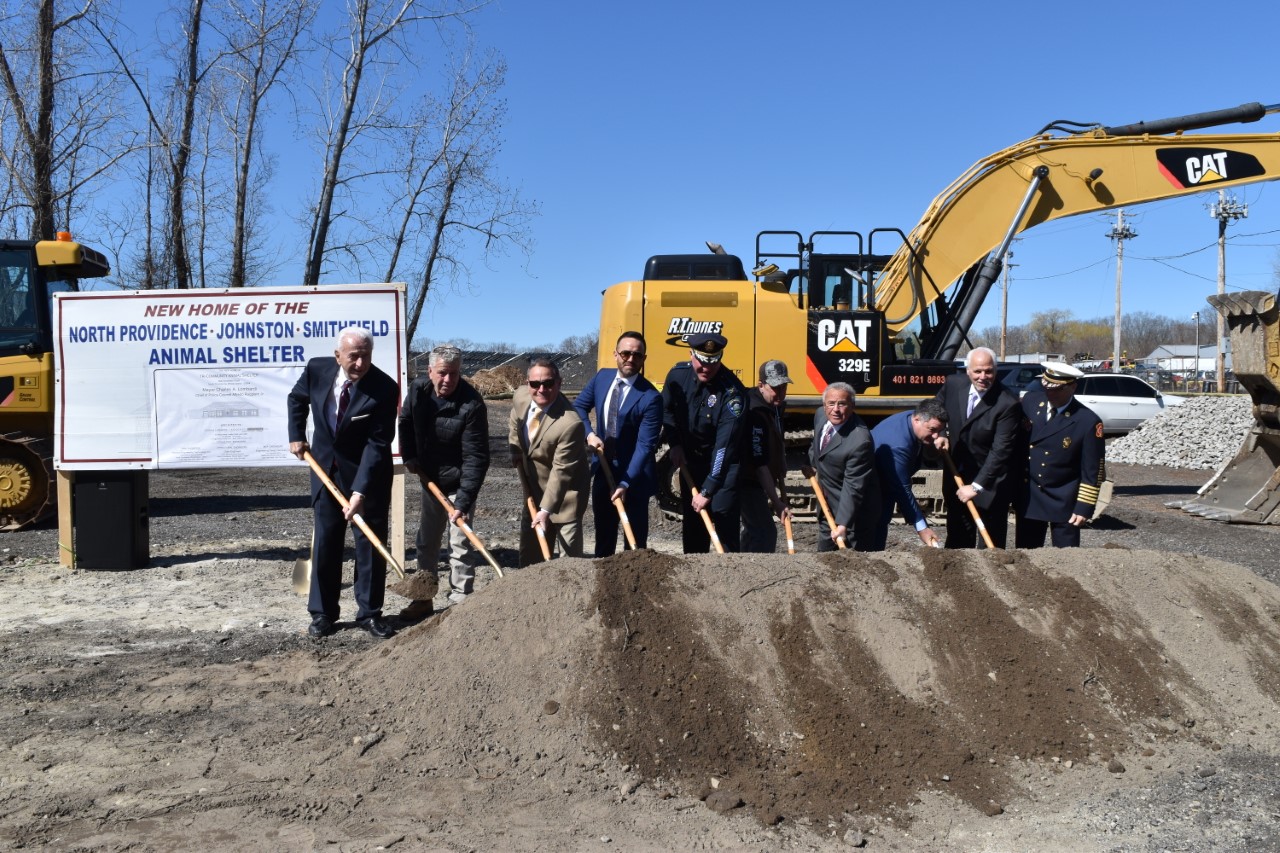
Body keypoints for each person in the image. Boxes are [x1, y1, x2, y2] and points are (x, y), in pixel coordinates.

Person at [287, 326, 400, 639]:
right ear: (338, 356)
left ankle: (369, 613)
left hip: (368, 475)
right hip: (325, 470)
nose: (361, 363)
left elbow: (377, 445)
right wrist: (296, 434)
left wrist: (360, 492)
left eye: (366, 356)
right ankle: (323, 613)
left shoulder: (384, 388)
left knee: (369, 545)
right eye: (354, 356)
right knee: (326, 542)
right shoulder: (317, 370)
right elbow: (296, 398)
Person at [399, 344, 490, 606]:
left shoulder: (472, 404)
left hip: (460, 482)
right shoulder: (418, 390)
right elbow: (405, 422)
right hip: (430, 478)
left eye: (454, 373)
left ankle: (459, 603)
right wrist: (410, 456)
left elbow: (476, 458)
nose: (448, 379)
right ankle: (422, 599)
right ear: (429, 371)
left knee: (460, 544)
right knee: (427, 541)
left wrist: (462, 503)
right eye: (442, 373)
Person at [573, 331, 662, 555]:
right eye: (625, 353)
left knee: (634, 543)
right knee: (604, 537)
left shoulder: (651, 397)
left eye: (637, 355)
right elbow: (579, 407)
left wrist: (625, 483)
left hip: (635, 477)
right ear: (616, 354)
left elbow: (645, 446)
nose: (630, 359)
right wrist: (589, 434)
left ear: (644, 358)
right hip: (604, 469)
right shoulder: (602, 378)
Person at [661, 332, 747, 553]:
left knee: (723, 518)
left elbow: (724, 447)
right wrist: (675, 444)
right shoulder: (677, 376)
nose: (707, 368)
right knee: (693, 525)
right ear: (691, 355)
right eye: (702, 361)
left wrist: (708, 490)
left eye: (714, 361)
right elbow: (667, 411)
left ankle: (728, 573)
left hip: (724, 467)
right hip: (692, 461)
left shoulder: (733, 393)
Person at [933, 347, 1022, 548]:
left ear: (995, 371)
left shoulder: (1007, 403)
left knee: (990, 540)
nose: (983, 377)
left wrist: (977, 486)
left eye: (988, 371)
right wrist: (940, 433)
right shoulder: (953, 384)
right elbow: (937, 409)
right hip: (957, 474)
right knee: (958, 535)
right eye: (978, 371)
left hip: (990, 482)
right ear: (967, 371)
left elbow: (1001, 451)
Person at [509, 358, 590, 566]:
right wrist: (515, 447)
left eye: (548, 383)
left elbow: (561, 473)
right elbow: (514, 418)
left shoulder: (570, 424)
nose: (541, 389)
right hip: (534, 490)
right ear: (528, 384)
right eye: (535, 384)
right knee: (530, 560)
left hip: (566, 498)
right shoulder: (521, 397)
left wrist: (545, 511)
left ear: (559, 383)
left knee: (569, 567)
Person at [1015, 362, 1105, 548]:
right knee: (1026, 555)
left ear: (1072, 387)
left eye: (1057, 389)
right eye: (1046, 387)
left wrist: (1084, 507)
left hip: (1064, 500)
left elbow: (1092, 470)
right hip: (1031, 496)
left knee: (1066, 558)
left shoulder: (1087, 421)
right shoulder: (1031, 402)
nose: (1050, 393)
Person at [808, 382, 880, 552]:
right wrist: (809, 462)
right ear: (824, 405)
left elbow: (853, 486)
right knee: (824, 562)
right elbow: (817, 445)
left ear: (852, 406)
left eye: (842, 404)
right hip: (828, 507)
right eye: (831, 404)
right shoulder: (820, 415)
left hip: (853, 517)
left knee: (854, 568)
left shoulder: (860, 441)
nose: (836, 409)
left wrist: (843, 524)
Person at [870, 398, 948, 550]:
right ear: (917, 419)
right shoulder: (898, 444)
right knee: (872, 536)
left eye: (939, 431)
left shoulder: (912, 417)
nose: (936, 436)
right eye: (932, 430)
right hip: (872, 492)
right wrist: (922, 528)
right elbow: (902, 489)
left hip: (884, 484)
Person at [740, 359, 793, 552]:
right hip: (746, 479)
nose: (780, 392)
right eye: (775, 387)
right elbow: (759, 464)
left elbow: (777, 438)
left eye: (783, 386)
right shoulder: (755, 412)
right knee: (764, 532)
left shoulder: (774, 406)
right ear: (761, 385)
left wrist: (781, 464)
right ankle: (752, 570)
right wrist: (777, 503)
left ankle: (743, 560)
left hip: (757, 476)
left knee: (754, 530)